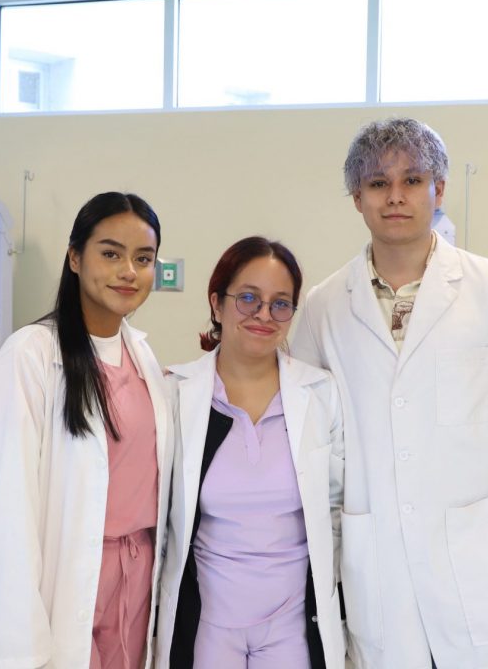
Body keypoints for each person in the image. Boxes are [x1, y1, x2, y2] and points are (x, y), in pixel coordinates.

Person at [290, 118, 488, 668]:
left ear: (440, 189)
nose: (395, 196)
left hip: (484, 561)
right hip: (377, 562)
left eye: (412, 180)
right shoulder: (324, 306)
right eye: (378, 183)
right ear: (357, 198)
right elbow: (305, 428)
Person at [0, 192, 172, 669]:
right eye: (111, 254)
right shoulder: (31, 355)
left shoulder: (142, 355)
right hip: (68, 573)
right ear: (75, 258)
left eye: (143, 259)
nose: (129, 271)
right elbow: (7, 512)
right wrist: (19, 643)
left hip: (137, 576)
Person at [155, 237, 345, 669]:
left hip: (292, 624)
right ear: (216, 303)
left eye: (280, 304)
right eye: (247, 298)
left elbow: (334, 511)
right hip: (210, 622)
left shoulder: (321, 393)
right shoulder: (175, 393)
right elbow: (162, 522)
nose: (263, 315)